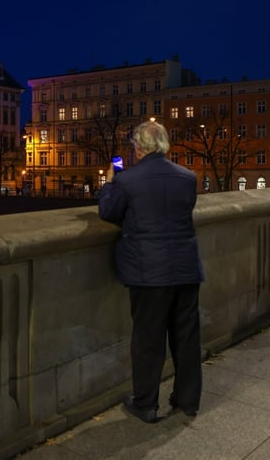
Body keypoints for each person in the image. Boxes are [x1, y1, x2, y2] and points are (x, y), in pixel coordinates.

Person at [98, 120, 204, 423]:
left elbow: (108, 212)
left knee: (148, 339)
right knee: (186, 338)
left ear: (139, 147)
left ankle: (146, 403)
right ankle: (187, 399)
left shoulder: (127, 180)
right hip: (185, 267)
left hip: (148, 272)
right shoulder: (187, 177)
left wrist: (109, 183)